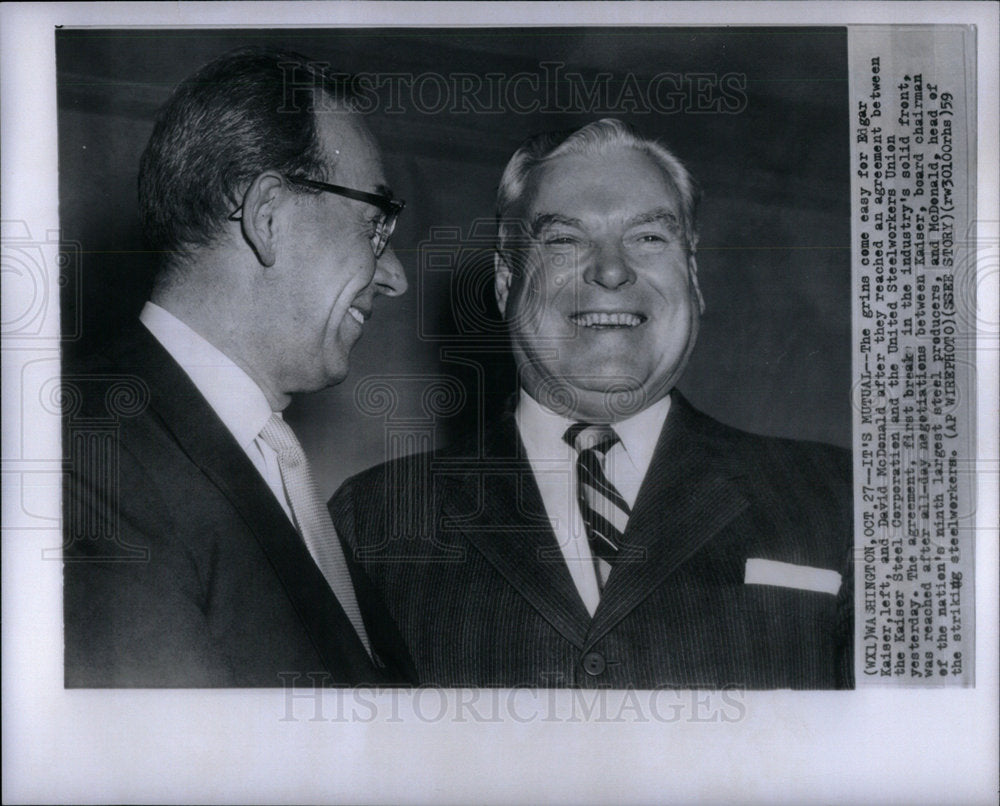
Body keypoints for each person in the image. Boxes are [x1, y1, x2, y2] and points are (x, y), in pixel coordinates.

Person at [331, 118, 853, 689]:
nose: (610, 269)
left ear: (694, 276)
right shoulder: (374, 520)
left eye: (649, 237)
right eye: (564, 240)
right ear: (506, 284)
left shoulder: (840, 498)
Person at [63, 48, 416, 687]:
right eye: (374, 225)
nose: (393, 277)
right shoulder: (86, 454)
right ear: (268, 216)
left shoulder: (271, 466)